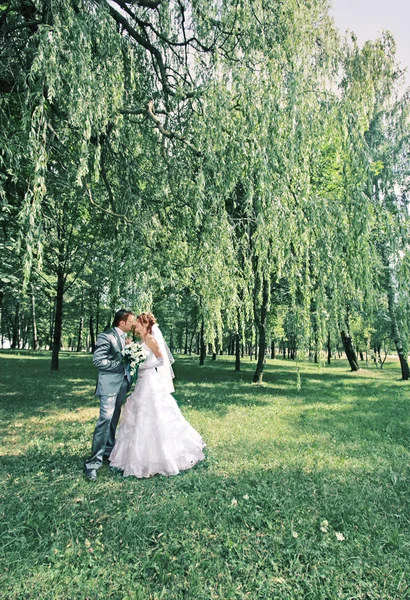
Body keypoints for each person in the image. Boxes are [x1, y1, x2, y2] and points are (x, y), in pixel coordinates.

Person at [109, 312, 205, 478]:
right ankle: (136, 458)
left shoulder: (151, 340)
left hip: (151, 382)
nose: (135, 325)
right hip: (141, 382)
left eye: (138, 322)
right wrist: (132, 353)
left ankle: (161, 458)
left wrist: (142, 364)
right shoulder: (141, 341)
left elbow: (161, 360)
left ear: (146, 325)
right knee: (139, 418)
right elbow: (137, 359)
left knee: (155, 416)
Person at [84, 309, 135, 481]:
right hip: (109, 384)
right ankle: (93, 463)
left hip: (123, 384)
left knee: (115, 417)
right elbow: (98, 361)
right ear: (122, 322)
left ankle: (108, 451)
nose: (133, 324)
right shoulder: (106, 336)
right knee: (105, 418)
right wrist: (120, 364)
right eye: (131, 321)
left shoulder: (127, 339)